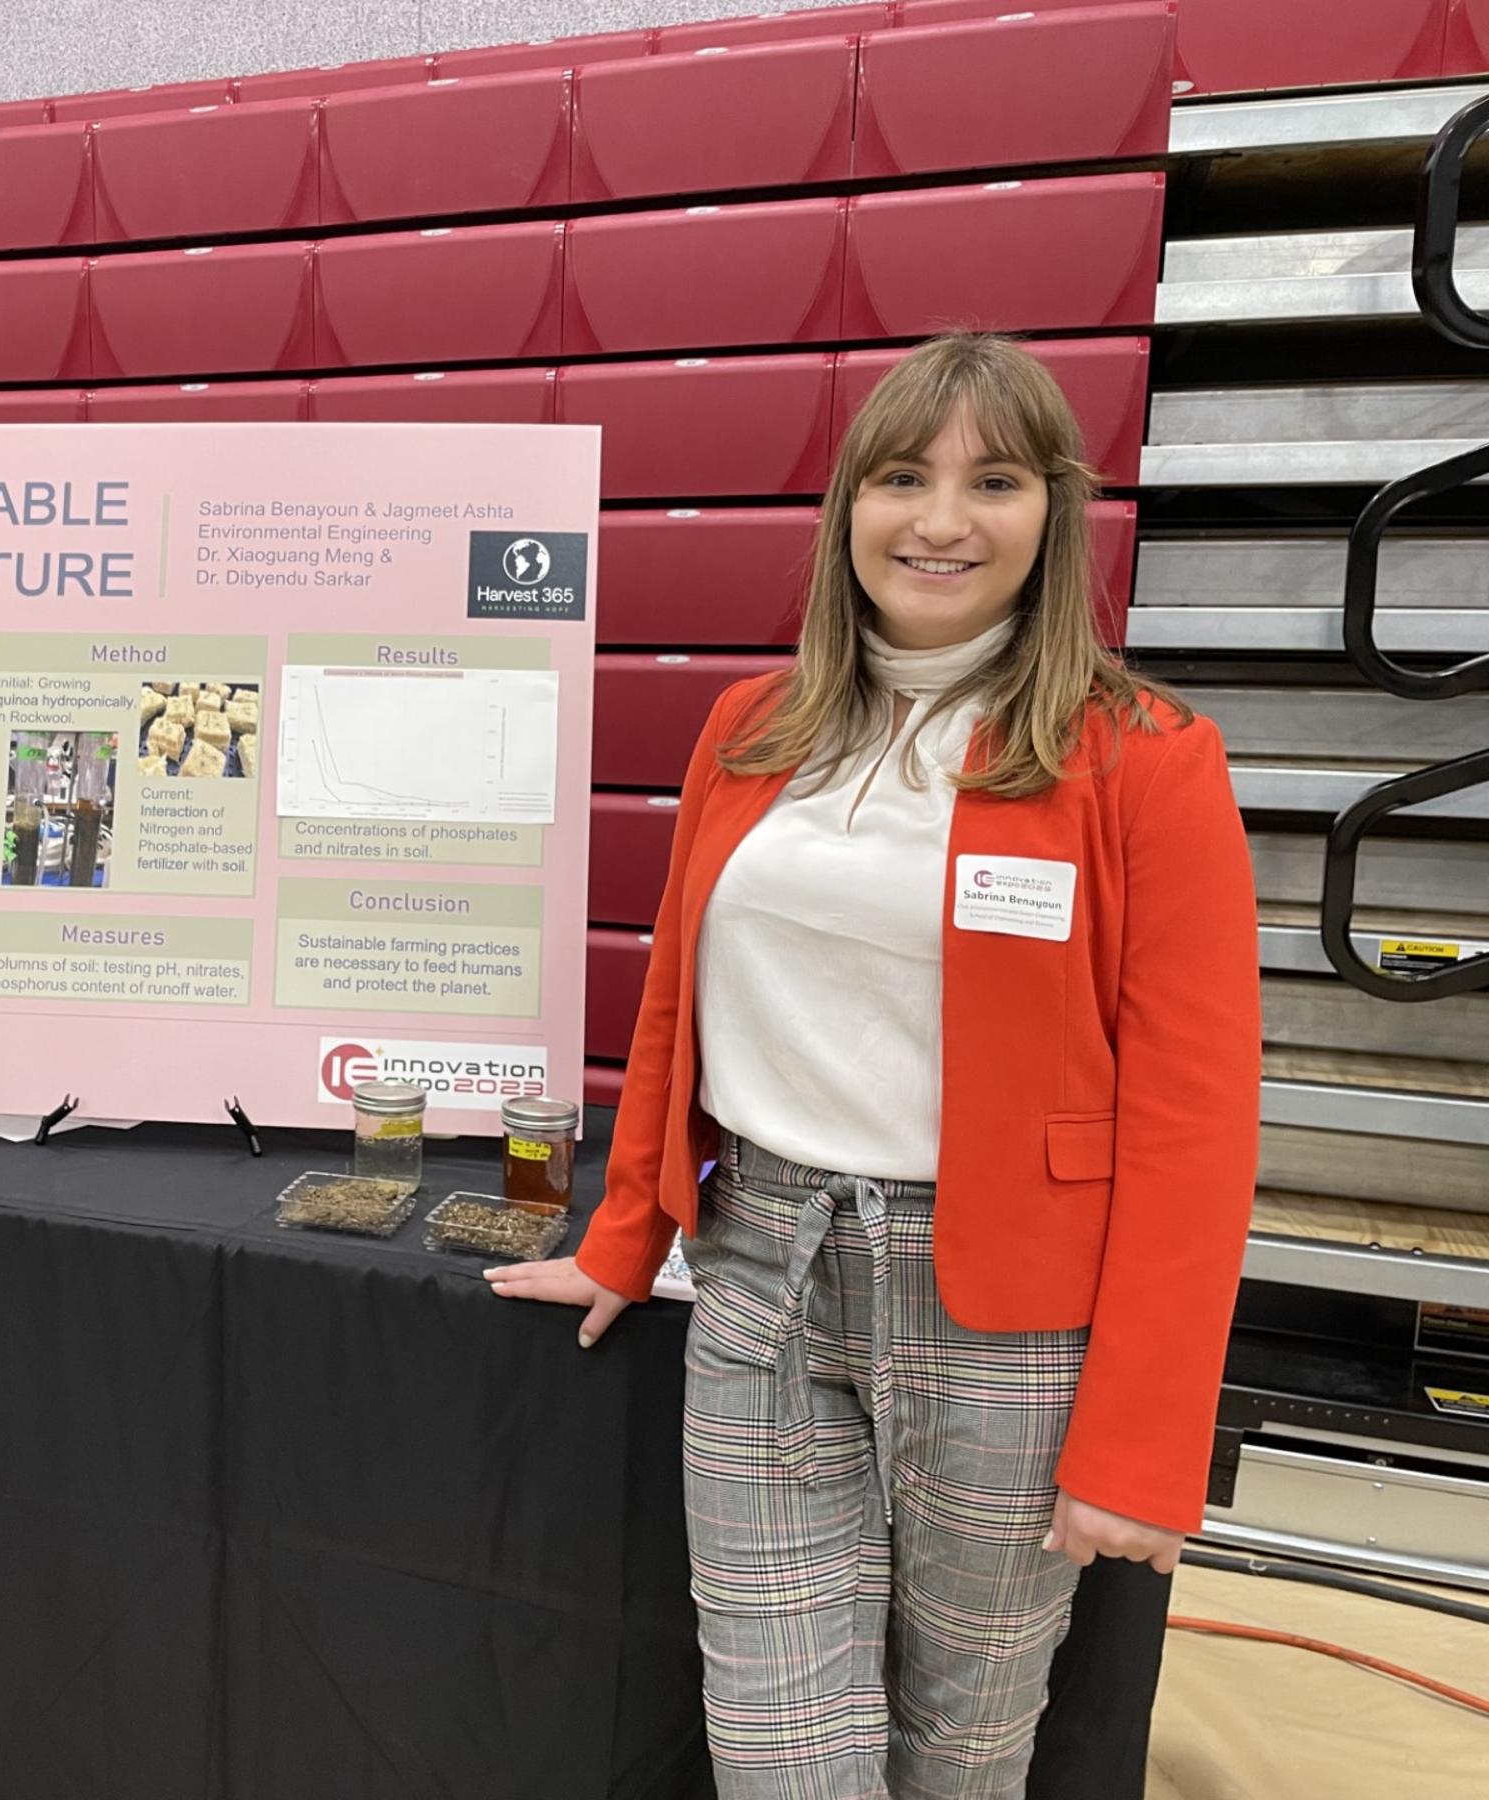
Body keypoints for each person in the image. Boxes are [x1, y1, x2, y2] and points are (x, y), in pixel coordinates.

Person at [489, 334, 1260, 1797]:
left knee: (962, 1752)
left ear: (1055, 515)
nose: (943, 519)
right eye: (903, 477)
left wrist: (1146, 1442)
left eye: (995, 480)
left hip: (1013, 1323)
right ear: (850, 508)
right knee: (782, 1744)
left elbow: (1195, 1125)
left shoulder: (1144, 758)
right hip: (763, 1276)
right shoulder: (753, 730)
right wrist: (622, 1238)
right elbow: (677, 1019)